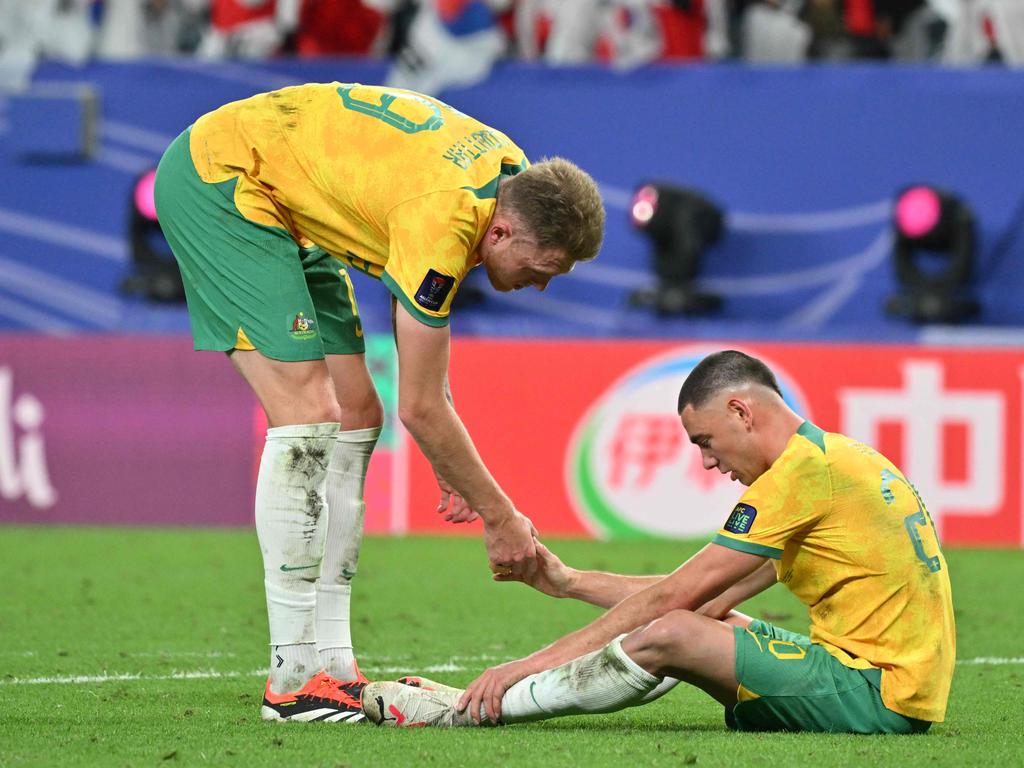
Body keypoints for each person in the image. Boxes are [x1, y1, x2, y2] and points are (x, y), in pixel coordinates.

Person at [152, 82, 606, 722]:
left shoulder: (511, 178)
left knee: (357, 412)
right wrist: (501, 518)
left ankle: (334, 664)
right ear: (501, 231)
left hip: (289, 197)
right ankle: (291, 679)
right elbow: (422, 406)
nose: (540, 286)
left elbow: (417, 393)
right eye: (545, 267)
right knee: (309, 412)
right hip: (224, 181)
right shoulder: (445, 219)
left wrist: (453, 468)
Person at [364, 350, 955, 733]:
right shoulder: (836, 460)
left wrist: (523, 667)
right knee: (703, 621)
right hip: (884, 683)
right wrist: (568, 582)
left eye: (705, 440)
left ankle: (468, 713)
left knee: (672, 630)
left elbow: (675, 599)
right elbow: (705, 597)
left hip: (877, 694)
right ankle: (481, 702)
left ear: (740, 411)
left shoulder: (799, 479)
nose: (707, 462)